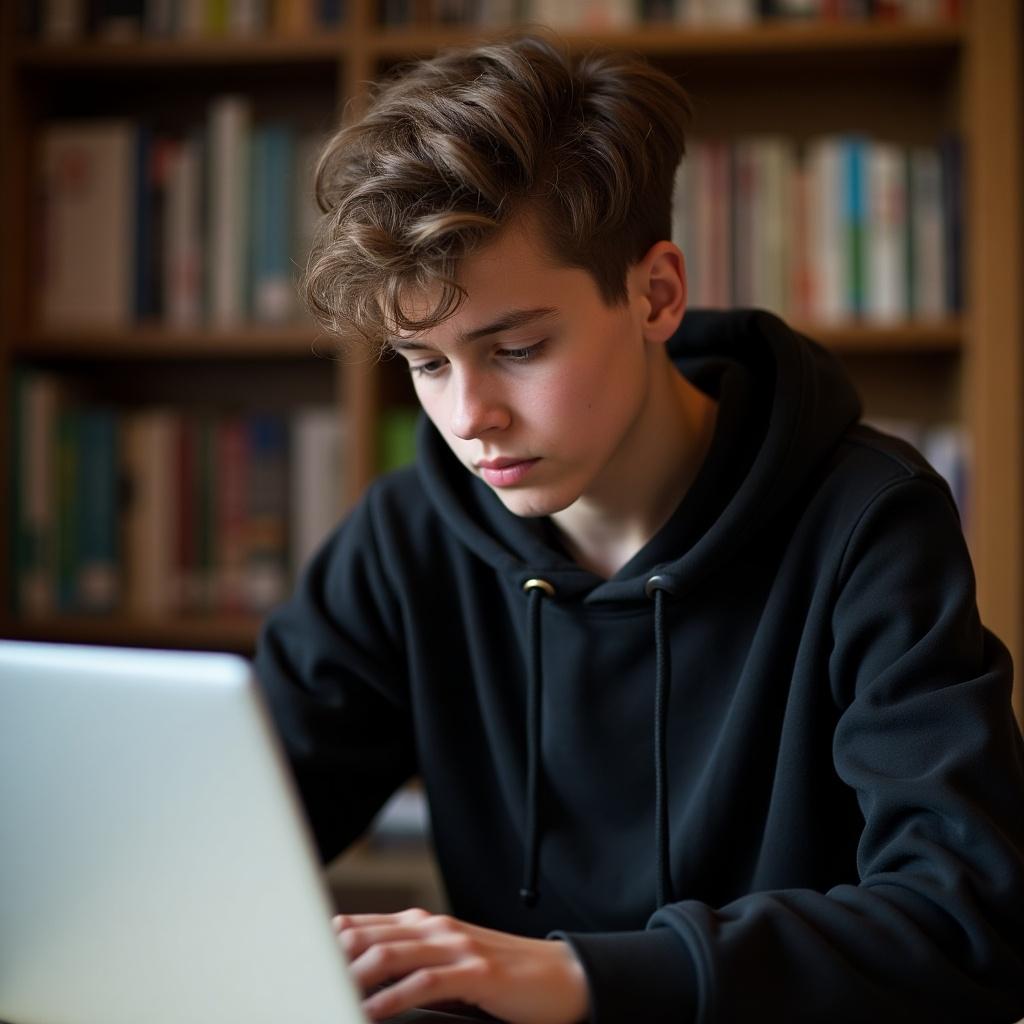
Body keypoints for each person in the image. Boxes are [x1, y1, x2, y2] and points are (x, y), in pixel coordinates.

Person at [253, 33, 1024, 1024]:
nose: (467, 416)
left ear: (656, 292)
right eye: (424, 362)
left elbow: (966, 920)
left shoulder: (864, 519)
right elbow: (230, 830)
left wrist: (576, 973)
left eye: (517, 347)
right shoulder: (409, 533)